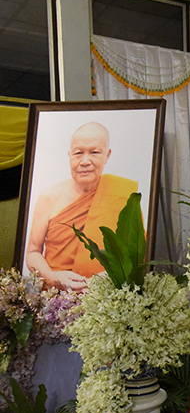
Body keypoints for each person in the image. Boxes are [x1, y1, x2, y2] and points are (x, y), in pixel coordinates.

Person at [25, 122, 138, 291]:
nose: (85, 161)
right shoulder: (49, 197)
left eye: (94, 152)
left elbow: (135, 254)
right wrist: (52, 278)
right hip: (55, 296)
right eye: (78, 153)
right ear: (69, 155)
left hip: (106, 296)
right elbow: (33, 252)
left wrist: (105, 280)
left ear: (107, 155)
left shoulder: (123, 195)